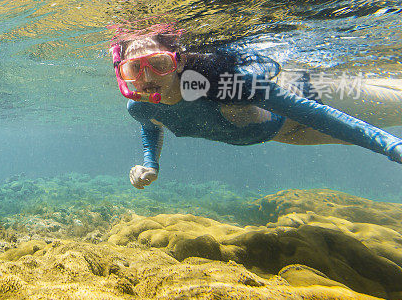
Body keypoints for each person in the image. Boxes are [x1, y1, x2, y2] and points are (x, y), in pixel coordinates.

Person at [111, 31, 402, 189]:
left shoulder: (226, 87)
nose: (147, 78)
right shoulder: (138, 107)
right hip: (287, 135)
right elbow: (151, 125)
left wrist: (390, 146)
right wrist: (151, 164)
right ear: (121, 73)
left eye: (160, 64)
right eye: (134, 68)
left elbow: (314, 114)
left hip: (314, 93)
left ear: (181, 63)